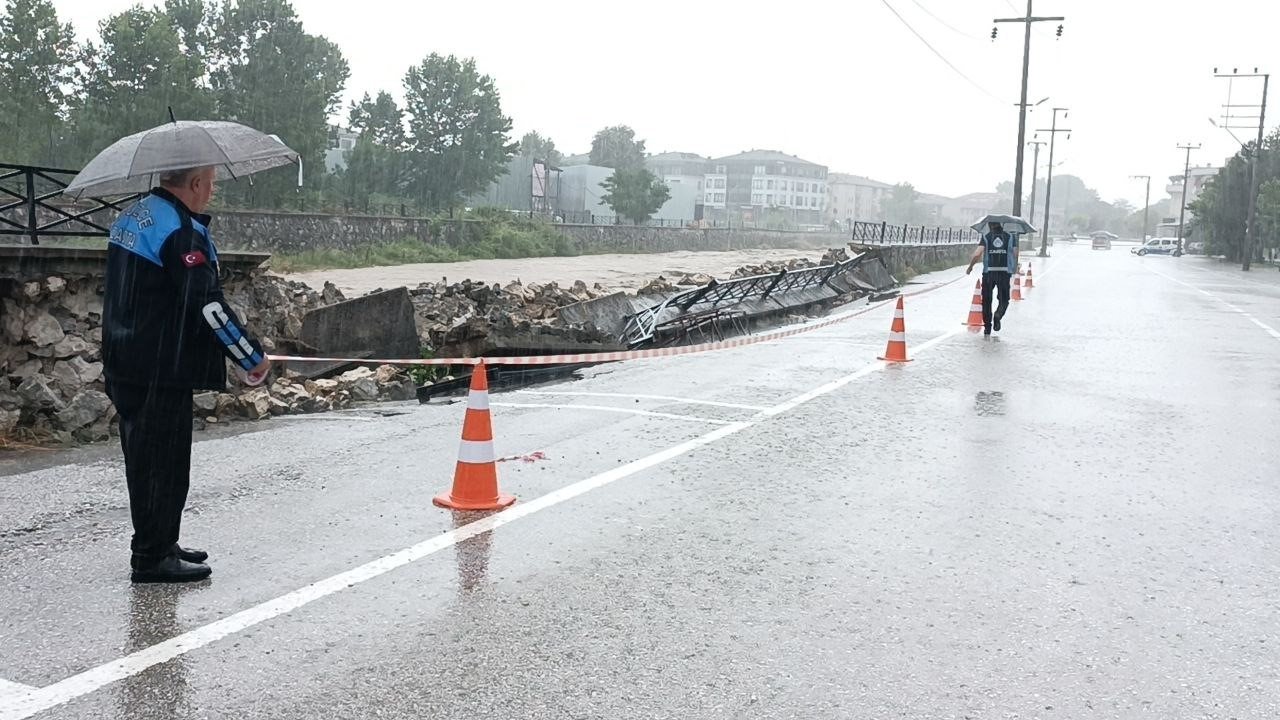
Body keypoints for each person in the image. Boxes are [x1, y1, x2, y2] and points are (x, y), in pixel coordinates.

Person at [103, 166, 270, 583]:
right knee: (163, 465)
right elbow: (207, 306)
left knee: (147, 460)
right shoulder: (179, 232)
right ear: (194, 184)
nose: (212, 190)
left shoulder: (136, 215)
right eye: (211, 182)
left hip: (128, 357)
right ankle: (151, 557)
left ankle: (161, 541)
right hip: (159, 365)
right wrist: (250, 356)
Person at [966, 221, 1018, 335]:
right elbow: (1015, 253)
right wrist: (1013, 267)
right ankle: (998, 315)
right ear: (1001, 225)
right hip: (1004, 273)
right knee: (1004, 299)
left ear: (990, 225)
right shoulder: (1010, 237)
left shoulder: (986, 237)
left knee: (986, 300)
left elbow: (977, 254)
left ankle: (987, 327)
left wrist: (970, 267)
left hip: (989, 273)